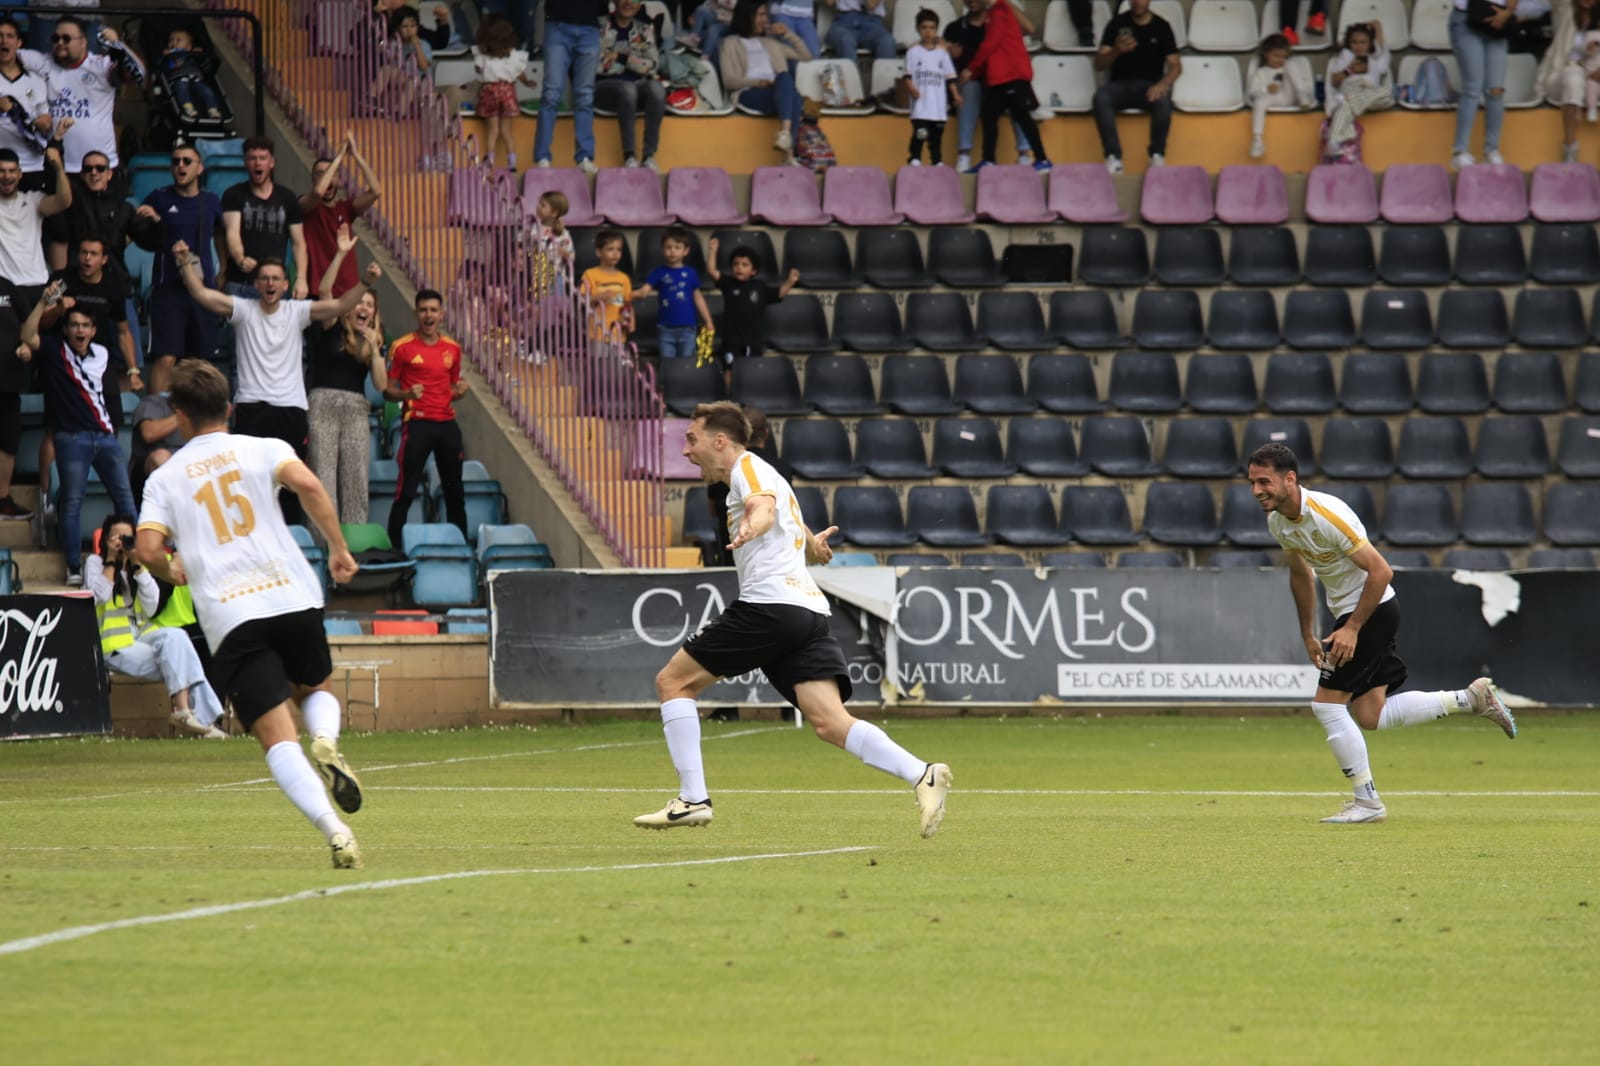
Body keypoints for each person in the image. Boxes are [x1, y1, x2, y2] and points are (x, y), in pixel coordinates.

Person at [635, 401, 953, 835]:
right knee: (829, 722)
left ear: (719, 440)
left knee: (673, 682)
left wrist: (753, 526)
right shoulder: (768, 474)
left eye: (692, 439)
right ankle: (923, 774)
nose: (687, 451)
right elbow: (782, 515)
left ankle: (692, 798)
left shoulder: (747, 471)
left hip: (769, 607)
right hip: (807, 612)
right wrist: (812, 545)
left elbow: (763, 509)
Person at [136, 359, 368, 869]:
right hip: (292, 595)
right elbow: (309, 485)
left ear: (178, 414)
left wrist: (174, 568)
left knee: (274, 735)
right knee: (316, 690)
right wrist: (337, 547)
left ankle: (335, 831)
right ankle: (326, 741)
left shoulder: (166, 477)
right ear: (230, 407)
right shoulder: (265, 448)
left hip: (233, 614)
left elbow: (147, 547)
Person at [1244, 443, 1519, 825]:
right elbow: (1300, 575)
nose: (1256, 491)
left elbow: (1381, 571)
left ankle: (1367, 803)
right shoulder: (1279, 522)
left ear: (1290, 479)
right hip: (1354, 614)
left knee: (1326, 705)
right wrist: (1308, 633)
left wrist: (1352, 629)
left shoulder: (1327, 515)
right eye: (1252, 483)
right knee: (1370, 714)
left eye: (1264, 481)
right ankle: (1470, 699)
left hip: (1370, 612)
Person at [169, 240, 381, 526]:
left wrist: (365, 281)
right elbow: (202, 295)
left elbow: (342, 304)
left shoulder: (297, 312)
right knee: (253, 486)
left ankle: (293, 544)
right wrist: (184, 262)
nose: (270, 283)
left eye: (276, 278)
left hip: (290, 410)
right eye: (265, 278)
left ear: (285, 285)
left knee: (291, 487)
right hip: (252, 408)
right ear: (257, 284)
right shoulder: (243, 309)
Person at [18, 277, 136, 585]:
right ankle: (73, 567)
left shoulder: (104, 355)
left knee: (126, 500)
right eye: (74, 325)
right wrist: (44, 304)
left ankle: (135, 562)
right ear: (66, 329)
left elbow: (108, 394)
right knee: (72, 502)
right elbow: (27, 334)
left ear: (93, 330)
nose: (80, 331)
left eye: (85, 326)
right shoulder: (55, 351)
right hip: (71, 439)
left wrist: (111, 430)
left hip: (105, 438)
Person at [88, 513, 227, 737]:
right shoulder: (95, 562)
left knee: (177, 637)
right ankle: (202, 721)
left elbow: (152, 605)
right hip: (113, 644)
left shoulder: (137, 565)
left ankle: (184, 713)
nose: (122, 542)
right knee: (181, 661)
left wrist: (137, 565)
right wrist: (112, 558)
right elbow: (100, 596)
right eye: (117, 538)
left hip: (142, 637)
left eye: (128, 538)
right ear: (105, 540)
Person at [308, 225, 387, 529]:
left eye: (370, 305)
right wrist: (341, 253)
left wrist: (375, 349)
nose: (363, 308)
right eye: (359, 302)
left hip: (356, 407)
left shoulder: (371, 342)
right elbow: (325, 291)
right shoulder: (332, 325)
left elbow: (381, 385)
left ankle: (353, 545)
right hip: (323, 403)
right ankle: (322, 546)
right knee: (323, 480)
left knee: (355, 479)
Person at [127, 142, 227, 373]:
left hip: (203, 289)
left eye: (187, 161)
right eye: (175, 161)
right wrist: (153, 221)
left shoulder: (210, 201)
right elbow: (139, 235)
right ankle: (155, 409)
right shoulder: (158, 198)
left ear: (200, 168)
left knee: (201, 362)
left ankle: (199, 409)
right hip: (168, 288)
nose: (180, 166)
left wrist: (223, 268)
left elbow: (221, 233)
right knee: (166, 358)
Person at [382, 288, 468, 547]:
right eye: (423, 310)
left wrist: (460, 392)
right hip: (417, 425)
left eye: (433, 310)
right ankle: (394, 550)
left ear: (442, 314)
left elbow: (451, 389)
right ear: (415, 313)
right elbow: (387, 391)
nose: (428, 315)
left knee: (455, 491)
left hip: (447, 426)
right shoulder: (401, 347)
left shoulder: (452, 348)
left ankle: (460, 549)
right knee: (406, 491)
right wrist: (407, 393)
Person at [20, 18, 144, 177]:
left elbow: (138, 74)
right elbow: (7, 55)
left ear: (83, 42)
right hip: (57, 167)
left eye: (66, 38)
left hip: (98, 169)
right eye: (55, 38)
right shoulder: (43, 61)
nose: (60, 43)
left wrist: (117, 44)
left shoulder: (101, 66)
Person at [1091, 0, 1181, 174]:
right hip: (1118, 86)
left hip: (1149, 87)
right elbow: (1099, 64)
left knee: (1163, 101)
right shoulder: (1117, 23)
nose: (1138, 2)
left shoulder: (1161, 26)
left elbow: (1176, 65)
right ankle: (1113, 157)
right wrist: (1116, 50)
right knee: (1101, 98)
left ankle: (1157, 156)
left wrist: (1162, 84)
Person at [944, 0, 1034, 172]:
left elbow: (1029, 29)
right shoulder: (954, 28)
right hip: (973, 86)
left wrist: (1002, 2)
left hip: (999, 82)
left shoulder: (999, 20)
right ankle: (964, 155)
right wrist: (945, 49)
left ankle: (1024, 155)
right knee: (970, 87)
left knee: (1016, 89)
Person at [720, 0, 810, 161]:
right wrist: (757, 82)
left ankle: (785, 135)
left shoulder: (771, 43)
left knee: (785, 80)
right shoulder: (729, 43)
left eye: (765, 15)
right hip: (749, 92)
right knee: (792, 93)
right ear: (747, 16)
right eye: (760, 15)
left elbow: (805, 56)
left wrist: (787, 34)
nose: (765, 19)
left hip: (777, 89)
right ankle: (788, 153)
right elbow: (729, 80)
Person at [221, 136, 308, 301]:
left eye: (262, 158)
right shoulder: (233, 194)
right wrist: (240, 258)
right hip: (241, 282)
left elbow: (299, 242)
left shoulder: (287, 198)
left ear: (272, 162)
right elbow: (232, 233)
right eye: (252, 158)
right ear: (245, 163)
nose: (258, 163)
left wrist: (301, 278)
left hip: (275, 283)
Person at [299, 131, 384, 299]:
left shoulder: (345, 208)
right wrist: (338, 158)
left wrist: (355, 155)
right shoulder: (304, 203)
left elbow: (375, 191)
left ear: (338, 180)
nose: (327, 177)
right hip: (317, 288)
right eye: (320, 174)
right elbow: (318, 192)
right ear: (313, 179)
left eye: (332, 174)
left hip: (347, 288)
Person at [706, 236, 797, 390]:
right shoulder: (728, 284)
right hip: (731, 341)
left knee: (751, 371)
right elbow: (712, 271)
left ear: (753, 270)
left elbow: (778, 294)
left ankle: (747, 400)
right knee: (729, 371)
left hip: (753, 341)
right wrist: (713, 251)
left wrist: (790, 281)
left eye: (744, 265)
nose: (739, 268)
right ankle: (730, 402)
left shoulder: (760, 287)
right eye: (735, 264)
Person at [596, 0, 668, 171]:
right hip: (603, 89)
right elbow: (595, 65)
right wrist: (637, 63)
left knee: (656, 89)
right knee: (627, 88)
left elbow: (652, 65)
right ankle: (629, 156)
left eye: (634, 0)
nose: (629, 3)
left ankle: (649, 156)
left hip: (637, 87)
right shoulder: (599, 26)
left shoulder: (644, 29)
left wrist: (622, 58)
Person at [533, 0, 604, 172]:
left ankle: (585, 156)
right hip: (558, 25)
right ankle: (542, 156)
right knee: (551, 94)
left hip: (590, 29)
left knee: (585, 96)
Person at [0, 142, 71, 307]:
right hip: (5, 287)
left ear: (20, 174)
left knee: (41, 332)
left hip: (37, 282)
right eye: (1, 171)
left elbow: (64, 201)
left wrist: (59, 168)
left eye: (11, 171)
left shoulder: (33, 200)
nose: (7, 176)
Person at [1450, 0, 1517, 168]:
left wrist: (1508, 12)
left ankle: (1491, 149)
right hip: (1467, 17)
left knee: (1496, 89)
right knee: (1473, 87)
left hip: (1497, 17)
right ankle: (1460, 151)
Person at [634, 226, 714, 359]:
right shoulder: (658, 272)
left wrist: (708, 321)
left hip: (688, 327)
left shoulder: (691, 273)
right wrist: (625, 293)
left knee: (686, 364)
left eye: (677, 247)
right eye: (668, 247)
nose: (672, 251)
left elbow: (698, 298)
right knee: (667, 364)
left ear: (685, 251)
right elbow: (643, 292)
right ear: (663, 249)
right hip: (666, 328)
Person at [0, 15, 55, 192]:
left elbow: (46, 120)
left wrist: (42, 123)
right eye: (0, 36)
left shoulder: (35, 81)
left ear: (19, 43)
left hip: (30, 165)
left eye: (10, 36)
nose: (4, 41)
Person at [472, 15, 533, 172]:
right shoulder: (514, 55)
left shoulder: (482, 55)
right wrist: (527, 82)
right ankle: (512, 161)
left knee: (493, 130)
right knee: (507, 131)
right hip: (507, 91)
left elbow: (478, 70)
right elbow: (519, 73)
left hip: (490, 90)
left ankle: (490, 159)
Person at [1537, 0, 1597, 161]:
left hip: (1595, 79)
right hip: (1563, 76)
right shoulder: (1565, 12)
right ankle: (1570, 149)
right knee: (1573, 76)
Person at [1325, 20, 1392, 158]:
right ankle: (1333, 141)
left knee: (1389, 93)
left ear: (1370, 43)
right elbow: (1334, 80)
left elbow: (1378, 33)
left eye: (1363, 42)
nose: (1358, 46)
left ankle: (1345, 102)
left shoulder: (1376, 58)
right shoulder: (1346, 55)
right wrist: (1350, 71)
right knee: (1348, 95)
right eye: (1354, 42)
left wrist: (1375, 27)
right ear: (1349, 43)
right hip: (1351, 88)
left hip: (1369, 94)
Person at [904, 8, 960, 167]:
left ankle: (937, 160)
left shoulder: (942, 54)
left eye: (932, 28)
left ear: (936, 29)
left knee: (936, 136)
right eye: (924, 28)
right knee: (920, 133)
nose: (928, 32)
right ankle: (914, 157)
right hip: (921, 103)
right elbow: (907, 75)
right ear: (917, 29)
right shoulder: (913, 52)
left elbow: (950, 77)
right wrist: (911, 88)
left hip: (938, 105)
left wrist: (955, 95)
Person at [128, 355, 187, 503]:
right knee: (161, 457)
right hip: (146, 473)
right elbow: (149, 433)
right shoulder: (153, 403)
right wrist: (184, 414)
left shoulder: (203, 411)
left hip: (189, 471)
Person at [1248, 34, 1315, 159]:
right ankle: (1257, 140)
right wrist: (1265, 90)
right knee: (1259, 103)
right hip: (1276, 98)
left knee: (1291, 64)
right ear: (1266, 54)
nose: (1280, 60)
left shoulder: (1288, 67)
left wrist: (1302, 92)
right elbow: (1253, 92)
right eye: (1276, 56)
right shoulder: (1261, 72)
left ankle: (1301, 95)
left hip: (1294, 96)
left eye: (1283, 56)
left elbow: (1306, 84)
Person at [0, 273, 31, 518]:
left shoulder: (7, 287)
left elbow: (28, 324)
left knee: (8, 442)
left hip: (8, 381)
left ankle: (2, 500)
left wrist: (27, 346)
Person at [581, 228, 634, 347]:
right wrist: (599, 297)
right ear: (599, 252)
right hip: (598, 333)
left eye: (619, 250)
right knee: (599, 364)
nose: (615, 253)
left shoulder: (624, 278)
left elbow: (627, 303)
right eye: (610, 249)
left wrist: (631, 321)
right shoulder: (590, 274)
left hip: (618, 333)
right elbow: (582, 301)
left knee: (617, 364)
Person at [157, 26, 224, 121]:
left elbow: (205, 65)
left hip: (196, 79)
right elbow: (159, 65)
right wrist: (164, 57)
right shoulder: (169, 55)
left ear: (188, 47)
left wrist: (200, 55)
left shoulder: (193, 54)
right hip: (178, 78)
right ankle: (188, 108)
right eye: (171, 40)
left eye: (178, 40)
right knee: (181, 88)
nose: (173, 43)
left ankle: (213, 109)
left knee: (207, 91)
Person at [825, 0, 896, 60]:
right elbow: (829, 2)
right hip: (843, 21)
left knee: (886, 41)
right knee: (845, 40)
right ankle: (851, 76)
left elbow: (871, 5)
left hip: (871, 23)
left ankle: (884, 76)